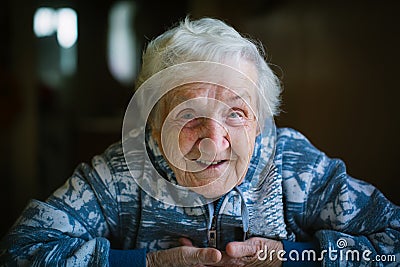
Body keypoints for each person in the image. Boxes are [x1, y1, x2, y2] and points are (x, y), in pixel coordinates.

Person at [1, 17, 399, 267]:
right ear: (153, 126)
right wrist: (150, 263)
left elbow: (392, 241)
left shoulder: (296, 166)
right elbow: (21, 251)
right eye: (187, 115)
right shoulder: (120, 172)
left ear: (259, 122)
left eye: (236, 113)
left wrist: (289, 257)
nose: (213, 142)